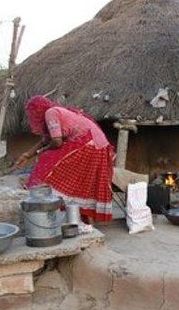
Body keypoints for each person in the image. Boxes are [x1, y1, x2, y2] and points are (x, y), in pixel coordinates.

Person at [15, 96, 115, 224]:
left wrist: (41, 152)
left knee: (48, 163)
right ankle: (80, 219)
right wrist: (28, 155)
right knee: (76, 182)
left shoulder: (51, 113)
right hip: (96, 145)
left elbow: (57, 142)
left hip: (90, 144)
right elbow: (46, 140)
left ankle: (46, 202)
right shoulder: (56, 112)